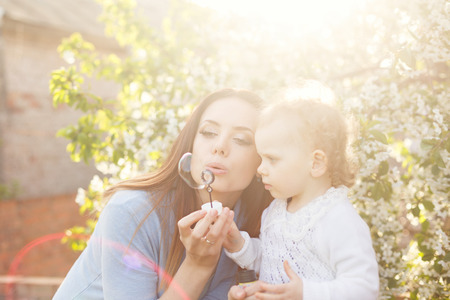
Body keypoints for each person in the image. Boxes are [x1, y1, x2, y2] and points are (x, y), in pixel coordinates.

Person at [53, 88, 272, 300]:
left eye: (242, 139)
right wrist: (198, 265)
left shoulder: (252, 229)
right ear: (192, 143)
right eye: (208, 132)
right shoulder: (132, 211)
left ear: (263, 159)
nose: (219, 146)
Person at [225, 90, 379, 299]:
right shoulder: (276, 211)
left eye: (272, 159)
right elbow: (272, 258)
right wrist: (240, 246)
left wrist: (306, 293)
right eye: (261, 158)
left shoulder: (338, 219)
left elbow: (364, 288)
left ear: (315, 163)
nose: (260, 169)